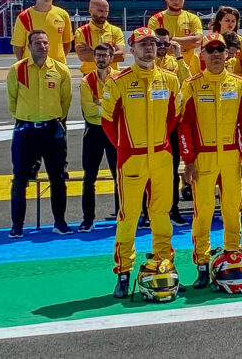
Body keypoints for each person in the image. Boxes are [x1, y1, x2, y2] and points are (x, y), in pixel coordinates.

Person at [102, 27, 180, 299]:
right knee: (129, 216)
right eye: (142, 44)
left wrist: (157, 143)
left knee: (161, 214)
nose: (149, 48)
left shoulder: (170, 79)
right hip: (131, 158)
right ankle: (123, 271)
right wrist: (126, 147)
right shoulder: (118, 80)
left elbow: (174, 117)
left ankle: (163, 263)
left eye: (153, 43)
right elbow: (107, 120)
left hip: (161, 155)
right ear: (131, 49)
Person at [177, 33, 242, 289]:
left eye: (220, 49)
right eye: (210, 50)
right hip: (204, 158)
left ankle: (233, 256)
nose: (216, 54)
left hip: (232, 156)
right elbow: (184, 126)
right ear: (202, 55)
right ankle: (202, 263)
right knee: (203, 213)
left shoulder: (239, 83)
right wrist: (188, 160)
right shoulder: (191, 84)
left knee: (233, 209)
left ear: (227, 53)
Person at [6, 29, 73, 238]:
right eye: (37, 43)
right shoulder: (18, 70)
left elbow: (65, 100)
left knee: (58, 178)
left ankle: (59, 222)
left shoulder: (61, 70)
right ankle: (17, 225)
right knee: (20, 179)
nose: (42, 46)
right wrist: (26, 117)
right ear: (29, 45)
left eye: (45, 42)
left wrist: (56, 122)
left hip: (52, 130)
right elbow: (12, 100)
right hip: (26, 131)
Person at [152, 27, 190, 226]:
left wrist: (179, 56)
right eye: (158, 43)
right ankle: (147, 211)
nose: (161, 48)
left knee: (172, 171)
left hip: (172, 126)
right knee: (149, 172)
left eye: (165, 44)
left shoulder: (174, 63)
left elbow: (187, 81)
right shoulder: (146, 63)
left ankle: (173, 209)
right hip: (151, 126)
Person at [79, 43, 119, 232]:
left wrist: (99, 104)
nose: (101, 59)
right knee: (89, 177)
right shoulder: (87, 80)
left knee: (119, 176)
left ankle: (122, 215)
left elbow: (121, 109)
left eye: (105, 55)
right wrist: (107, 107)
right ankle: (88, 219)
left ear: (111, 58)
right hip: (94, 131)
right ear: (94, 57)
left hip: (114, 131)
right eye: (98, 55)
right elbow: (88, 110)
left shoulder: (120, 79)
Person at [11, 0, 73, 64]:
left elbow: (67, 44)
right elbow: (17, 47)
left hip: (57, 68)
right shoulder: (24, 17)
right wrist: (26, 65)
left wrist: (57, 62)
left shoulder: (63, 15)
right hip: (33, 68)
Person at [148, 0, 204, 75]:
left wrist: (168, 40)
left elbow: (197, 41)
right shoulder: (155, 20)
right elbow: (155, 46)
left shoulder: (193, 18)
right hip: (164, 71)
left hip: (189, 71)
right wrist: (188, 42)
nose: (177, 2)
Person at [73, 0, 125, 75]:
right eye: (100, 11)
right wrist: (111, 53)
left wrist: (92, 53)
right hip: (90, 76)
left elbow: (121, 56)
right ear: (90, 10)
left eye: (106, 11)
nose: (103, 14)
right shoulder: (81, 32)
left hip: (112, 76)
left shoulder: (116, 31)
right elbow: (83, 56)